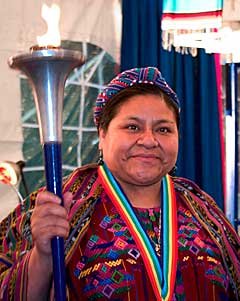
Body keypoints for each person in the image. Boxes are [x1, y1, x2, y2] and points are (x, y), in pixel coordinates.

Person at [0, 67, 239, 301]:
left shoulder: (203, 209)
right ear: (102, 134)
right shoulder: (58, 203)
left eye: (163, 129)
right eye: (132, 127)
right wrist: (42, 256)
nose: (149, 140)